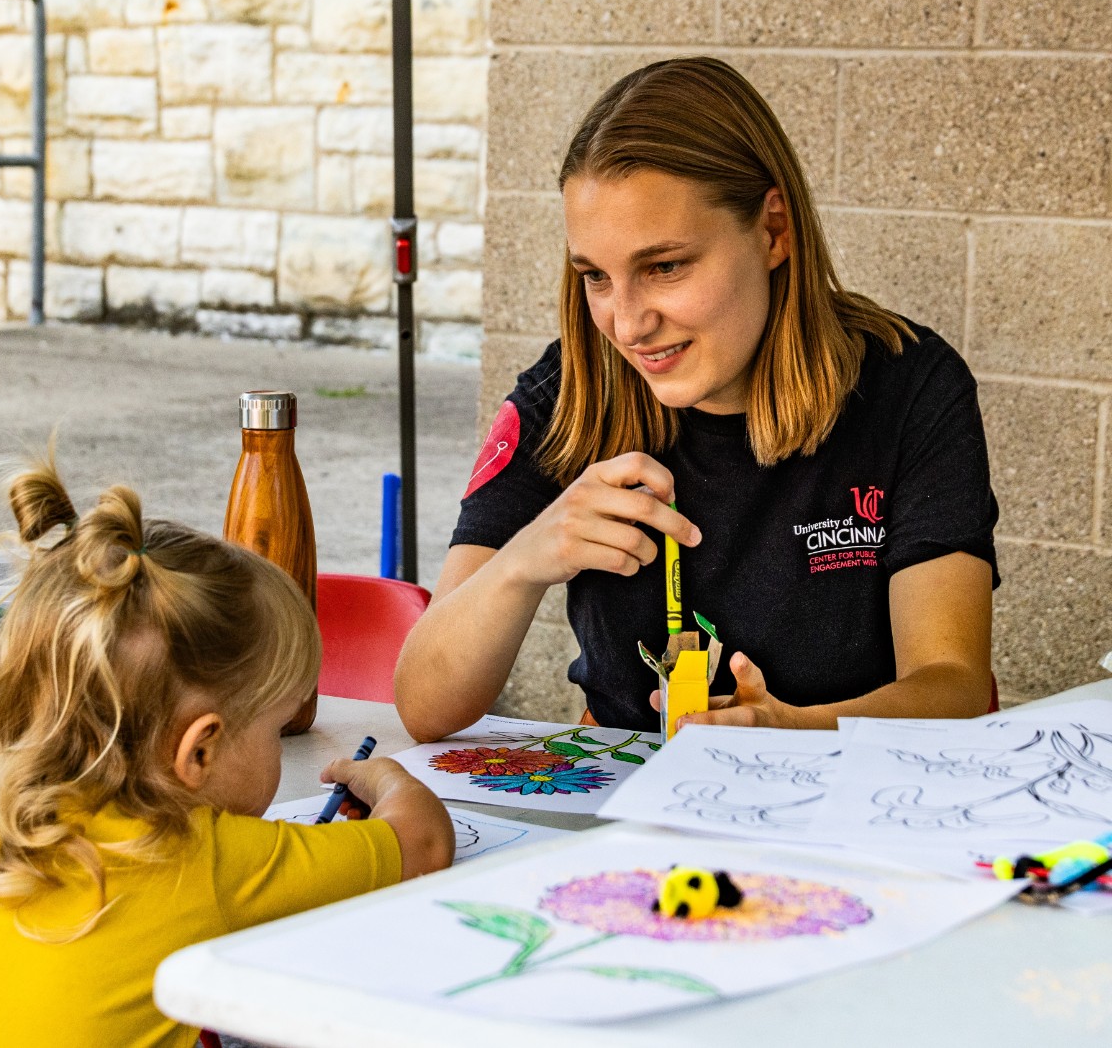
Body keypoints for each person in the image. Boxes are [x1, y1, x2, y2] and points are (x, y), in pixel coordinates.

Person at [395, 56, 998, 742]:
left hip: (854, 801)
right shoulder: (572, 388)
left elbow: (953, 683)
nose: (626, 324)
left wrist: (795, 729)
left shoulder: (909, 385)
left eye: (664, 267)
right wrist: (528, 555)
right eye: (596, 276)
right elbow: (423, 702)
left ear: (774, 230)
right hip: (626, 816)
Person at [0, 455, 453, 1047]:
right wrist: (386, 780)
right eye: (273, 728)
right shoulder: (201, 861)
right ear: (198, 751)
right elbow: (422, 846)